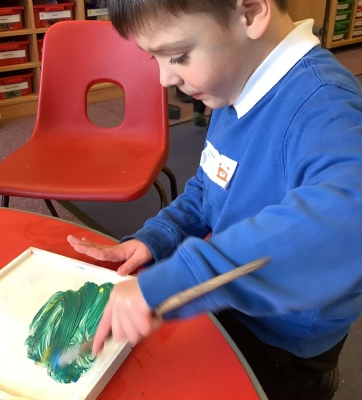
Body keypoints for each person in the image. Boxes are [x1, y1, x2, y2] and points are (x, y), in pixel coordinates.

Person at [67, 1, 362, 399]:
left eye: (178, 56)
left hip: (284, 345)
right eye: (155, 58)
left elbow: (347, 217)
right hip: (229, 305)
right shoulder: (236, 81)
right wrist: (158, 236)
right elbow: (212, 184)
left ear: (250, 13)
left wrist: (184, 275)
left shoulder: (325, 105)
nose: (164, 78)